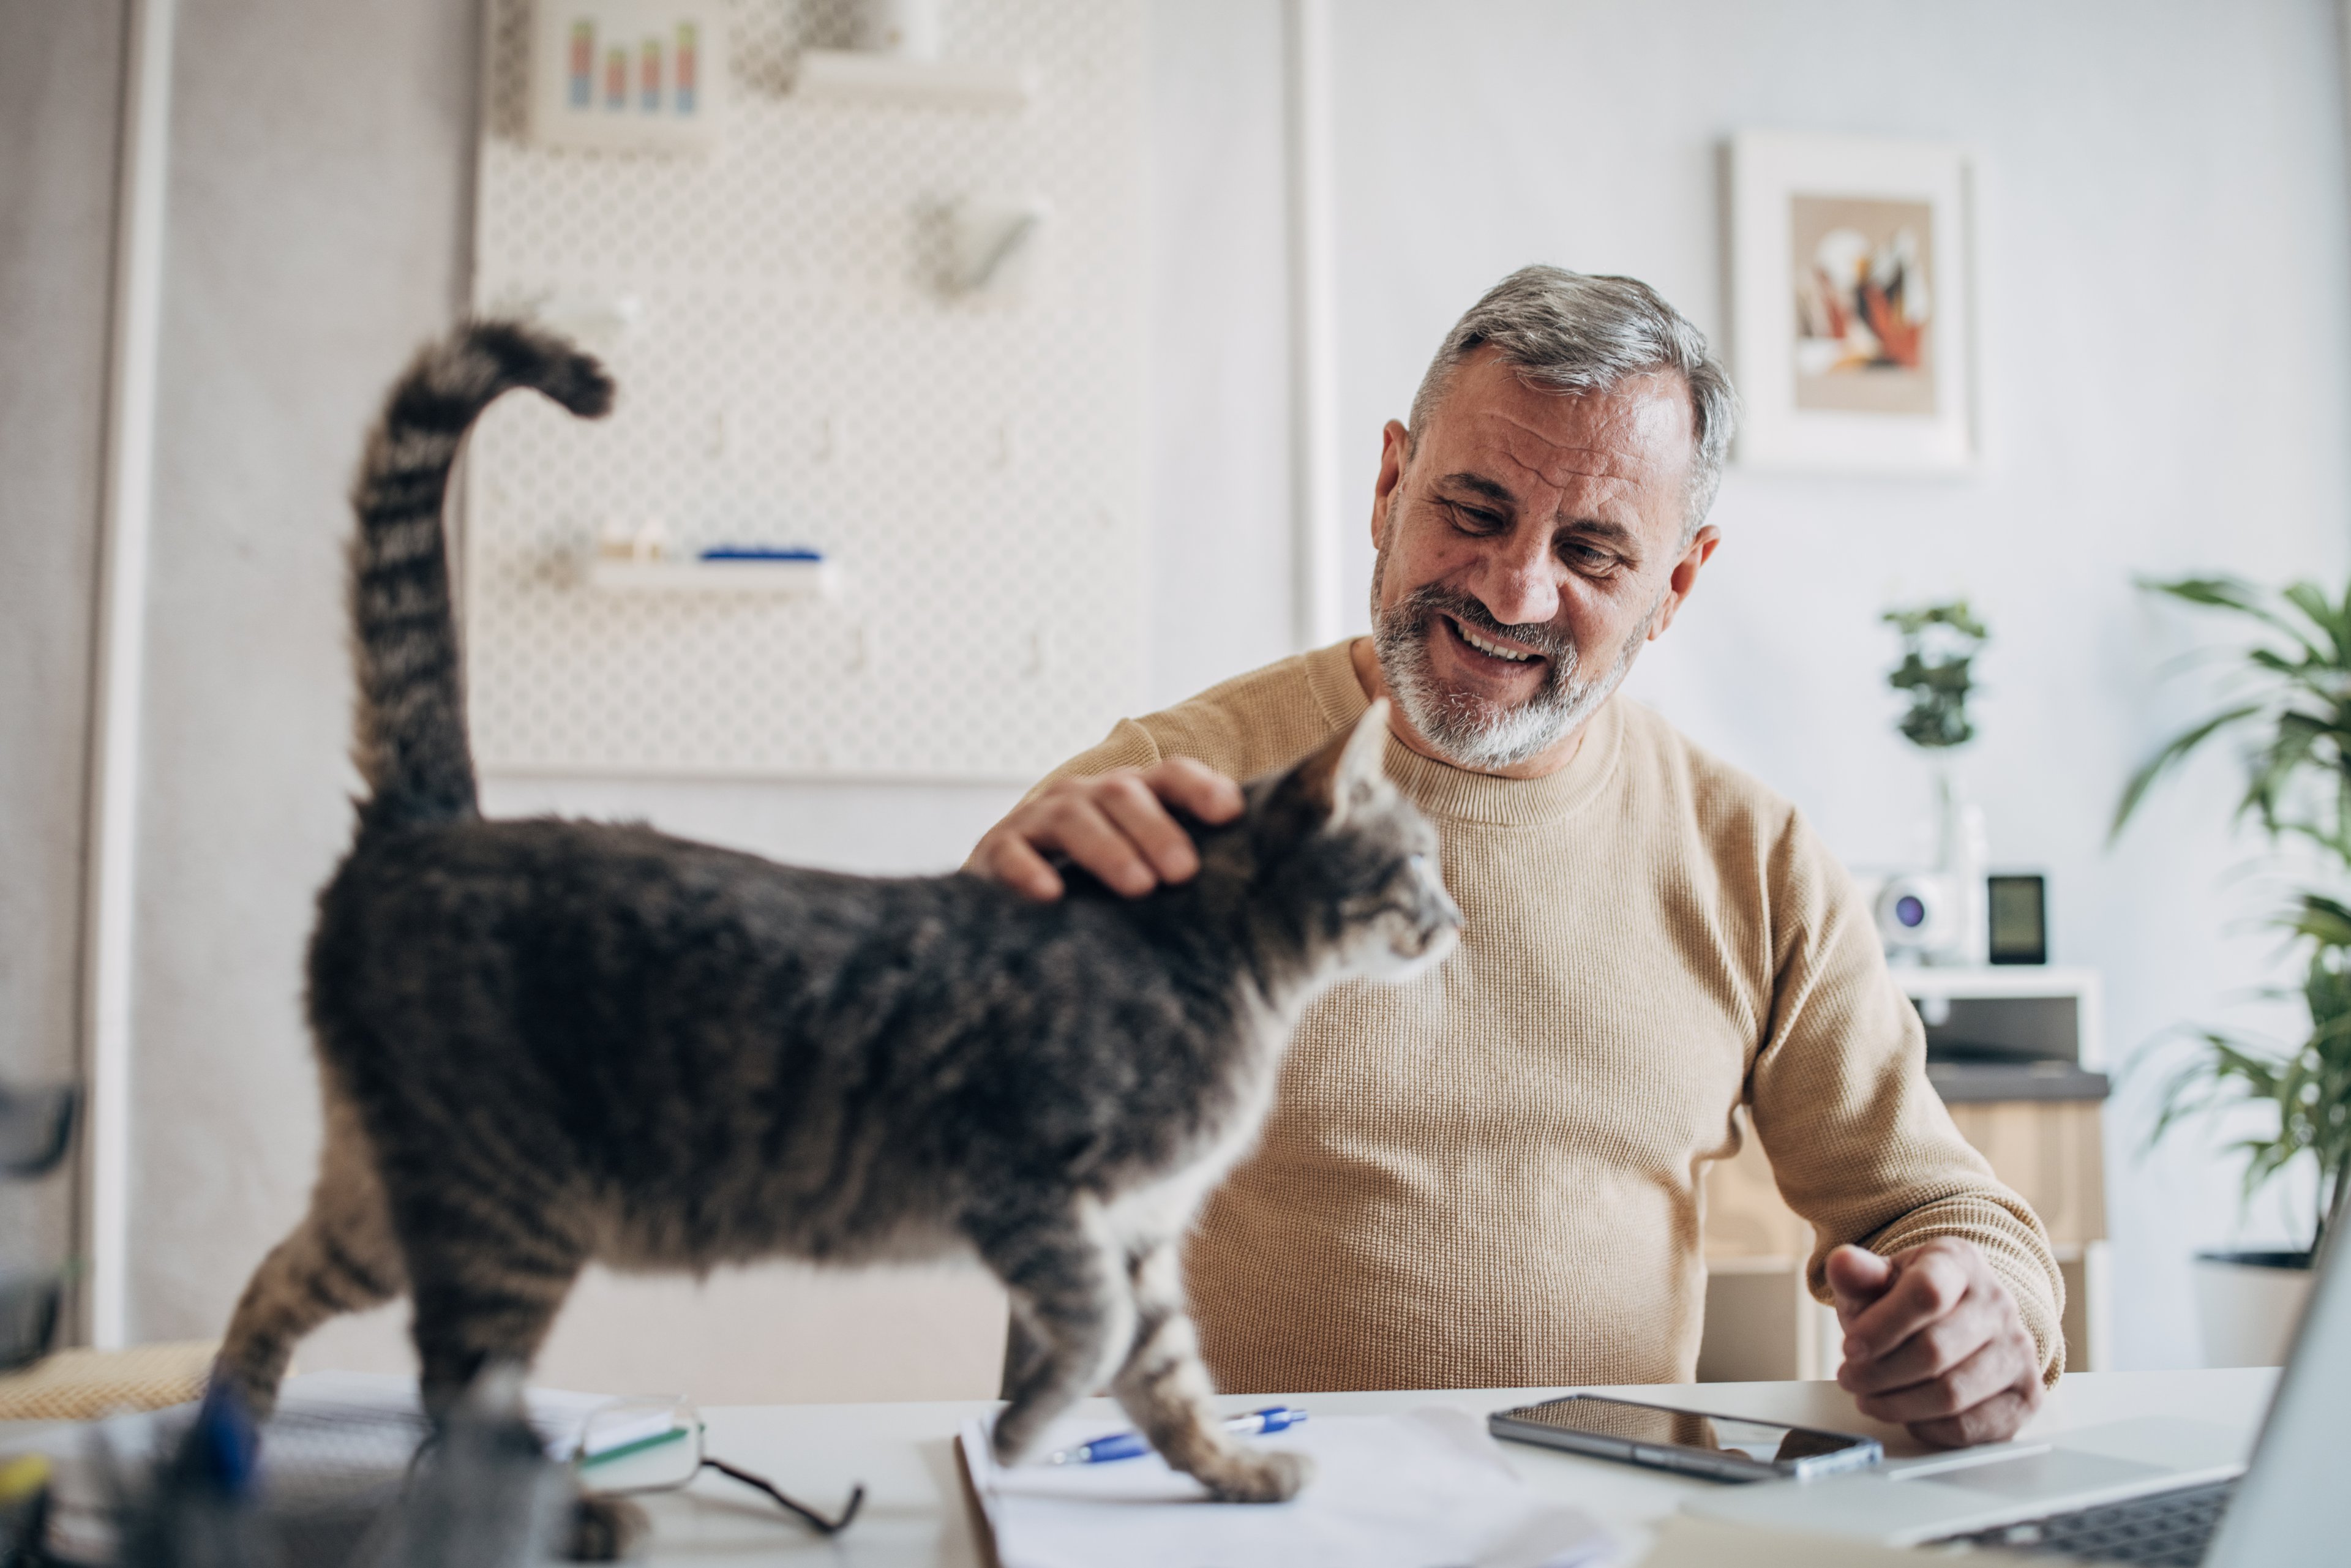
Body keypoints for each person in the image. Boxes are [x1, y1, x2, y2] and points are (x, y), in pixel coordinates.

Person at [970, 266, 2061, 1448]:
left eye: (1593, 552)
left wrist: (1981, 1307)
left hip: (1597, 1530)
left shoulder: (1755, 860)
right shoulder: (1161, 796)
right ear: (1390, 485)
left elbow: (1935, 1201)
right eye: (1475, 511)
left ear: (1676, 583)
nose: (1513, 586)